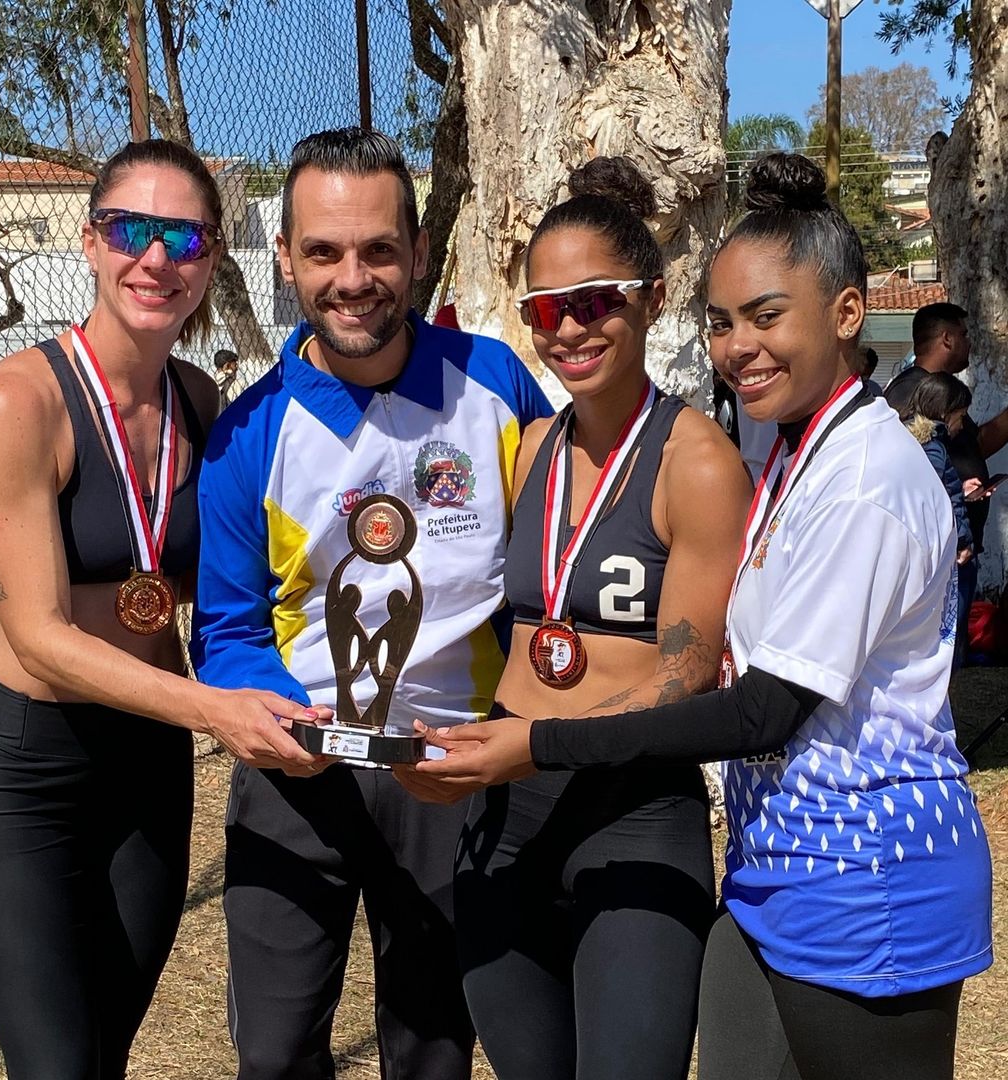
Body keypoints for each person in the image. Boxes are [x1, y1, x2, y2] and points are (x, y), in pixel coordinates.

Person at [417, 154, 994, 1080]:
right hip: (768, 872)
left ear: (848, 315)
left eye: (768, 316)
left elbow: (758, 708)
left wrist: (536, 741)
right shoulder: (785, 448)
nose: (740, 347)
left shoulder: (860, 481)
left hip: (868, 874)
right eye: (724, 324)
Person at [0, 139, 329, 1080]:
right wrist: (213, 708)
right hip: (25, 768)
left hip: (146, 767)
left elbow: (205, 576)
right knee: (56, 1064)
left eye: (185, 238)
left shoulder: (200, 399)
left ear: (212, 258)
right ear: (90, 241)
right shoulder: (15, 404)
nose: (156, 259)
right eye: (131, 230)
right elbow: (40, 632)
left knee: (105, 1051)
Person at [190, 127, 552, 1080]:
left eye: (379, 250)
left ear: (419, 253)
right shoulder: (247, 434)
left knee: (433, 1044)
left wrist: (521, 716)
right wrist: (268, 716)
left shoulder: (500, 384)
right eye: (324, 252)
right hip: (296, 774)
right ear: (286, 260)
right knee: (273, 1052)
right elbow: (225, 629)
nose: (353, 278)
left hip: (455, 769)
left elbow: (553, 569)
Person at [420, 156, 750, 1080]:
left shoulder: (697, 462)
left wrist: (538, 742)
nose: (569, 328)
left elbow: (685, 677)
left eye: (594, 300)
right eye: (543, 309)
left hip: (633, 810)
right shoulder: (527, 449)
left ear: (650, 299)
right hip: (507, 809)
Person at [885, 302, 1008, 658]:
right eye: (965, 335)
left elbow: (975, 447)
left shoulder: (945, 392)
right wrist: (952, 495)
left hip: (959, 548)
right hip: (940, 556)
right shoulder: (909, 394)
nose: (970, 343)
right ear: (947, 338)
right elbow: (903, 472)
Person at [896, 371, 975, 662]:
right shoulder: (934, 448)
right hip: (944, 557)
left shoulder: (906, 441)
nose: (961, 424)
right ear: (945, 412)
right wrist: (963, 541)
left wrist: (962, 490)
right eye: (960, 415)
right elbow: (934, 500)